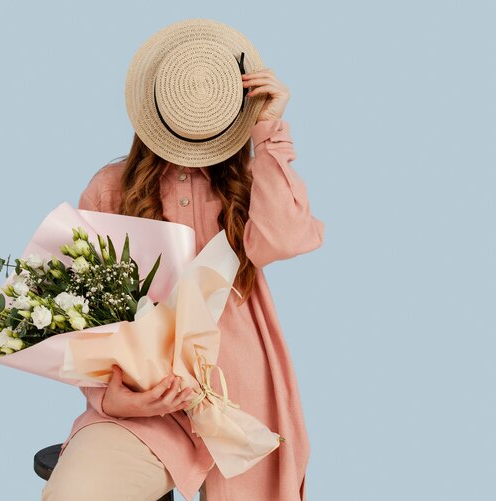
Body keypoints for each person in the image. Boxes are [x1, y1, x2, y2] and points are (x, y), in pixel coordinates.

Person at [42, 18, 324, 501]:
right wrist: (111, 397)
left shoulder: (252, 181)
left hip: (240, 396)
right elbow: (82, 316)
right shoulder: (110, 188)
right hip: (144, 403)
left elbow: (283, 238)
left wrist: (268, 132)